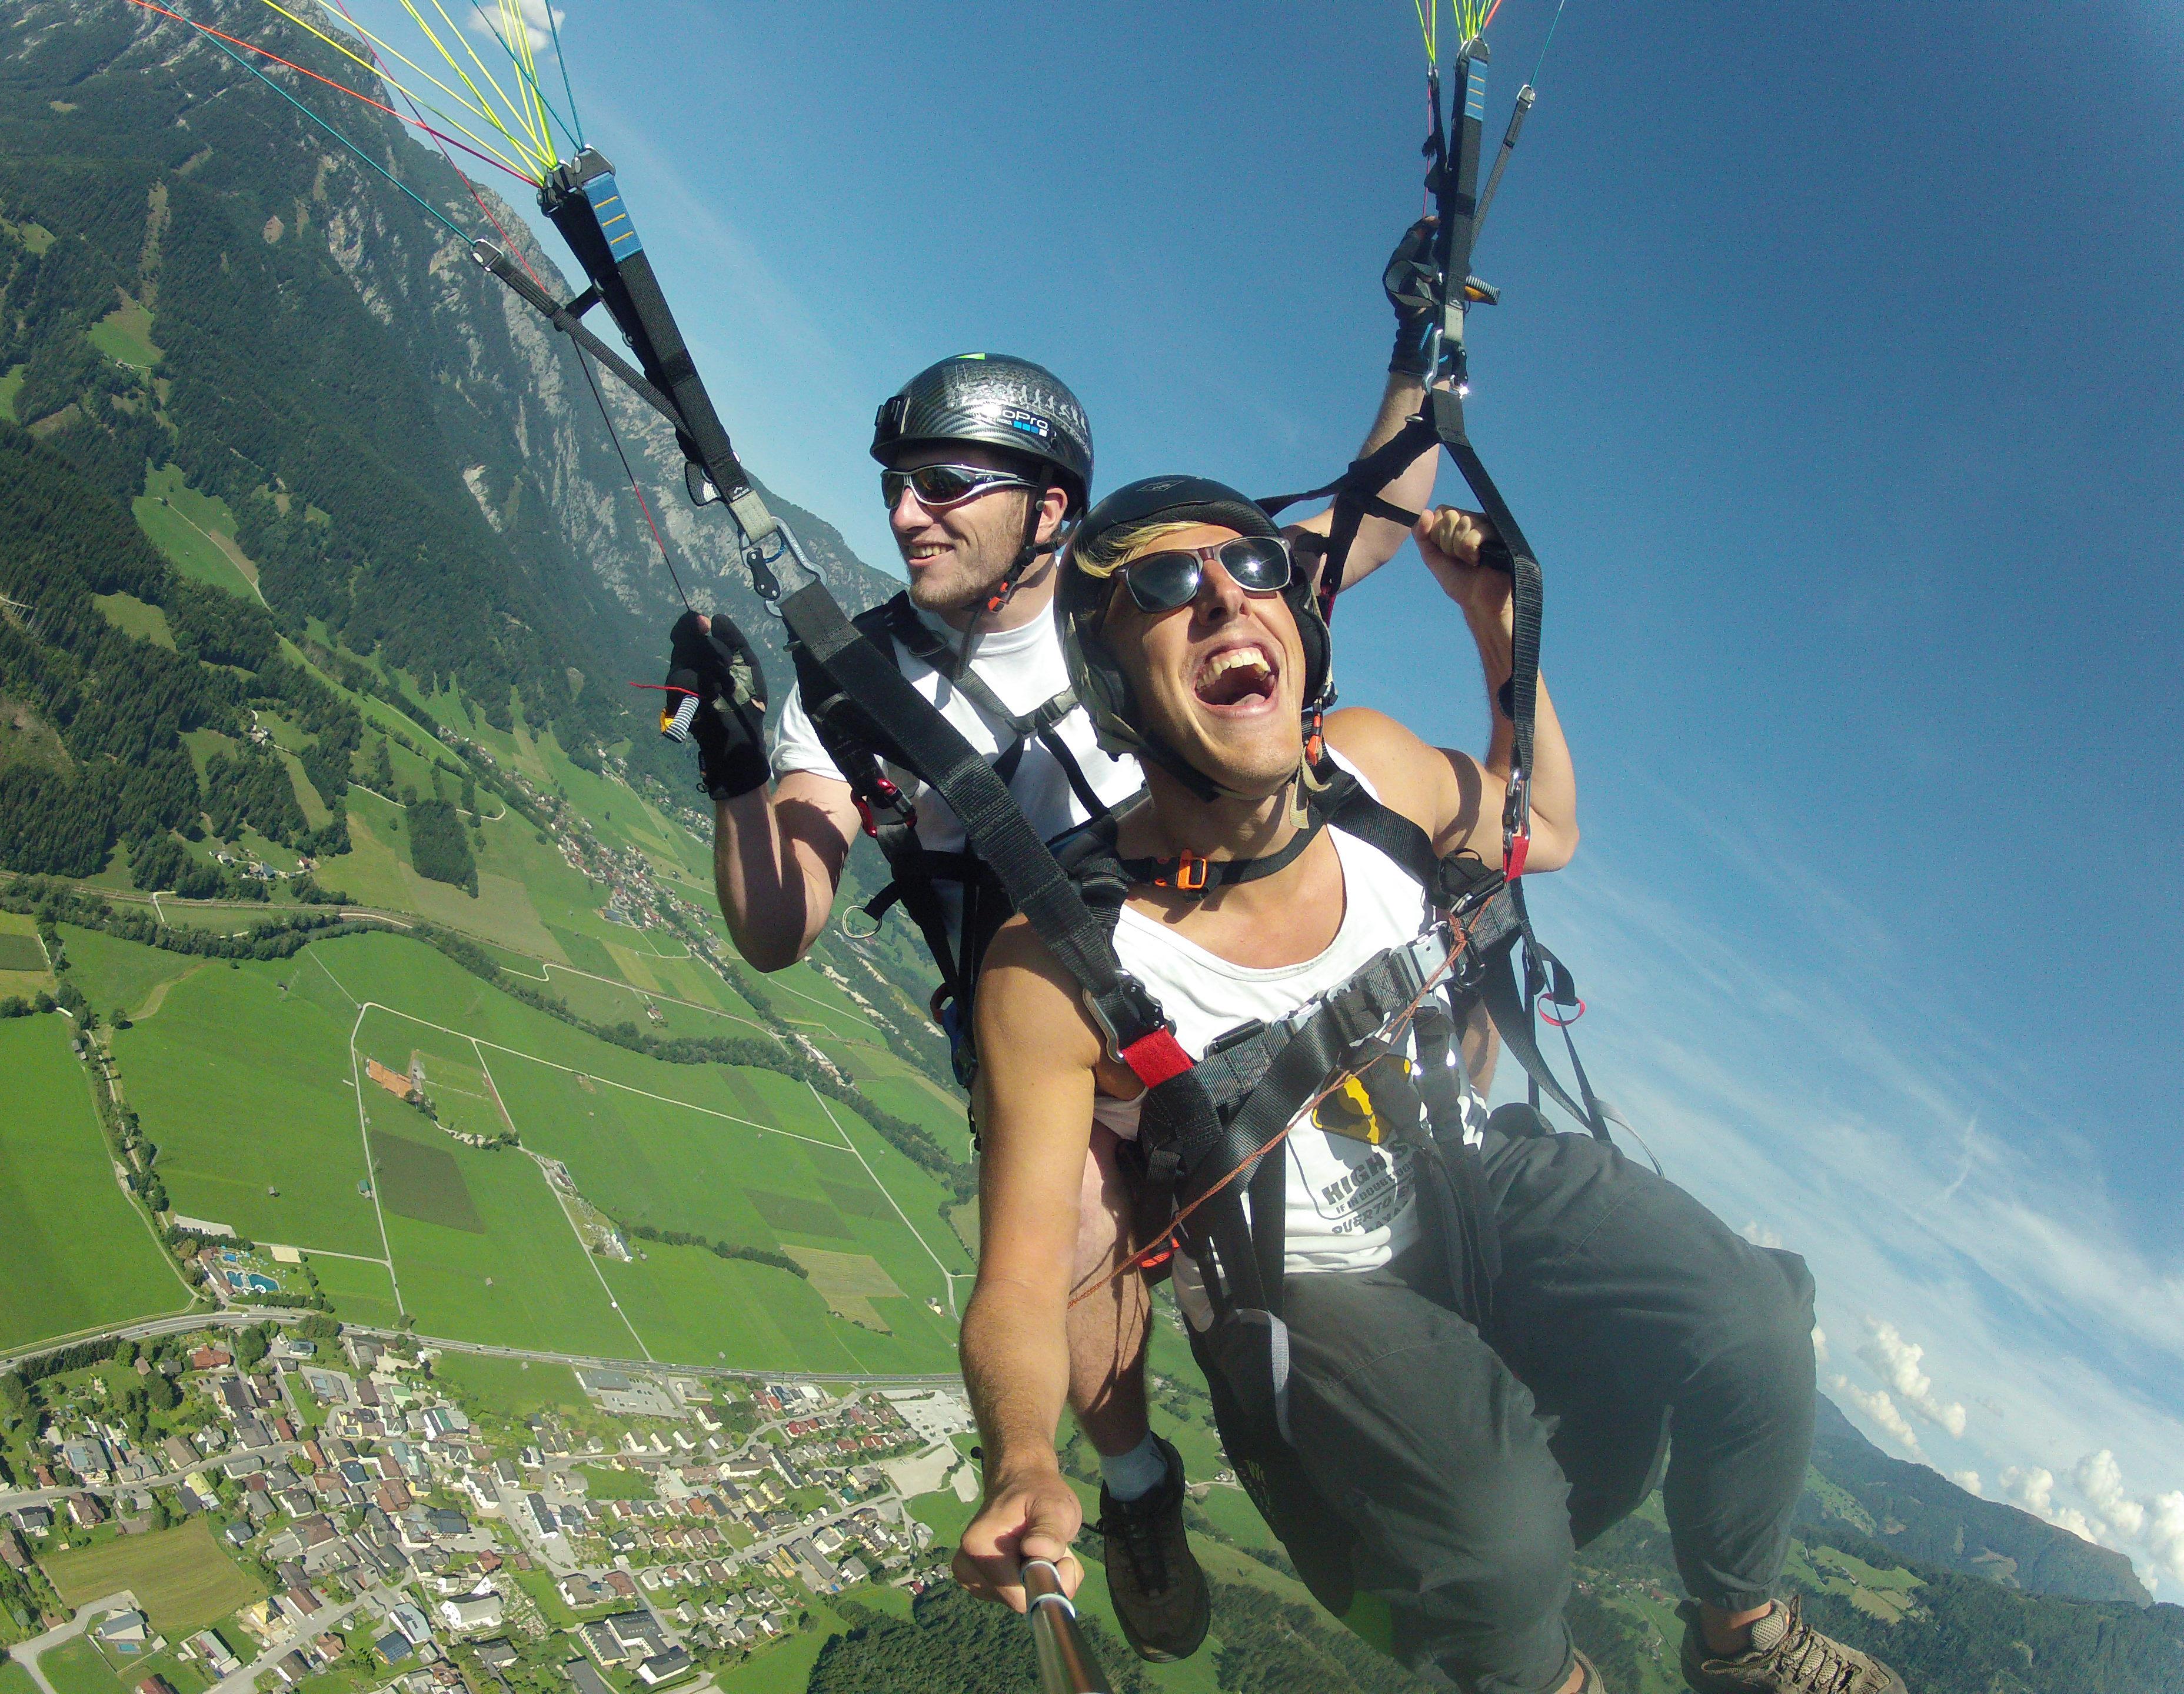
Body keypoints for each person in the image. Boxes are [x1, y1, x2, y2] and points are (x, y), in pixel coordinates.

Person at [950, 475, 1906, 1694]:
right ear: (1111, 678)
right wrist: (1024, 1458)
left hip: (1475, 1174)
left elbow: (1544, 825)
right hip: (1312, 1281)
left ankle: (1746, 1635)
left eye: (1256, 567)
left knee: (1758, 1325)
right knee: (1502, 1546)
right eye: (1167, 585)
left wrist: (1496, 625)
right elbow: (1024, 1273)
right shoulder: (1066, 963)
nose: (1228, 600)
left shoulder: (1374, 775)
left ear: (1299, 625)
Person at [666, 258, 1464, 1663]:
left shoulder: (1157, 598)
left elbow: (1374, 517)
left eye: (945, 485)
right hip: (1057, 1039)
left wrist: (1423, 346)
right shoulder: (855, 690)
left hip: (1224, 992)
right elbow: (782, 928)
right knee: (1079, 1239)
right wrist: (739, 774)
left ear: (1049, 510)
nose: (904, 513)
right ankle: (1135, 1482)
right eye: (898, 483)